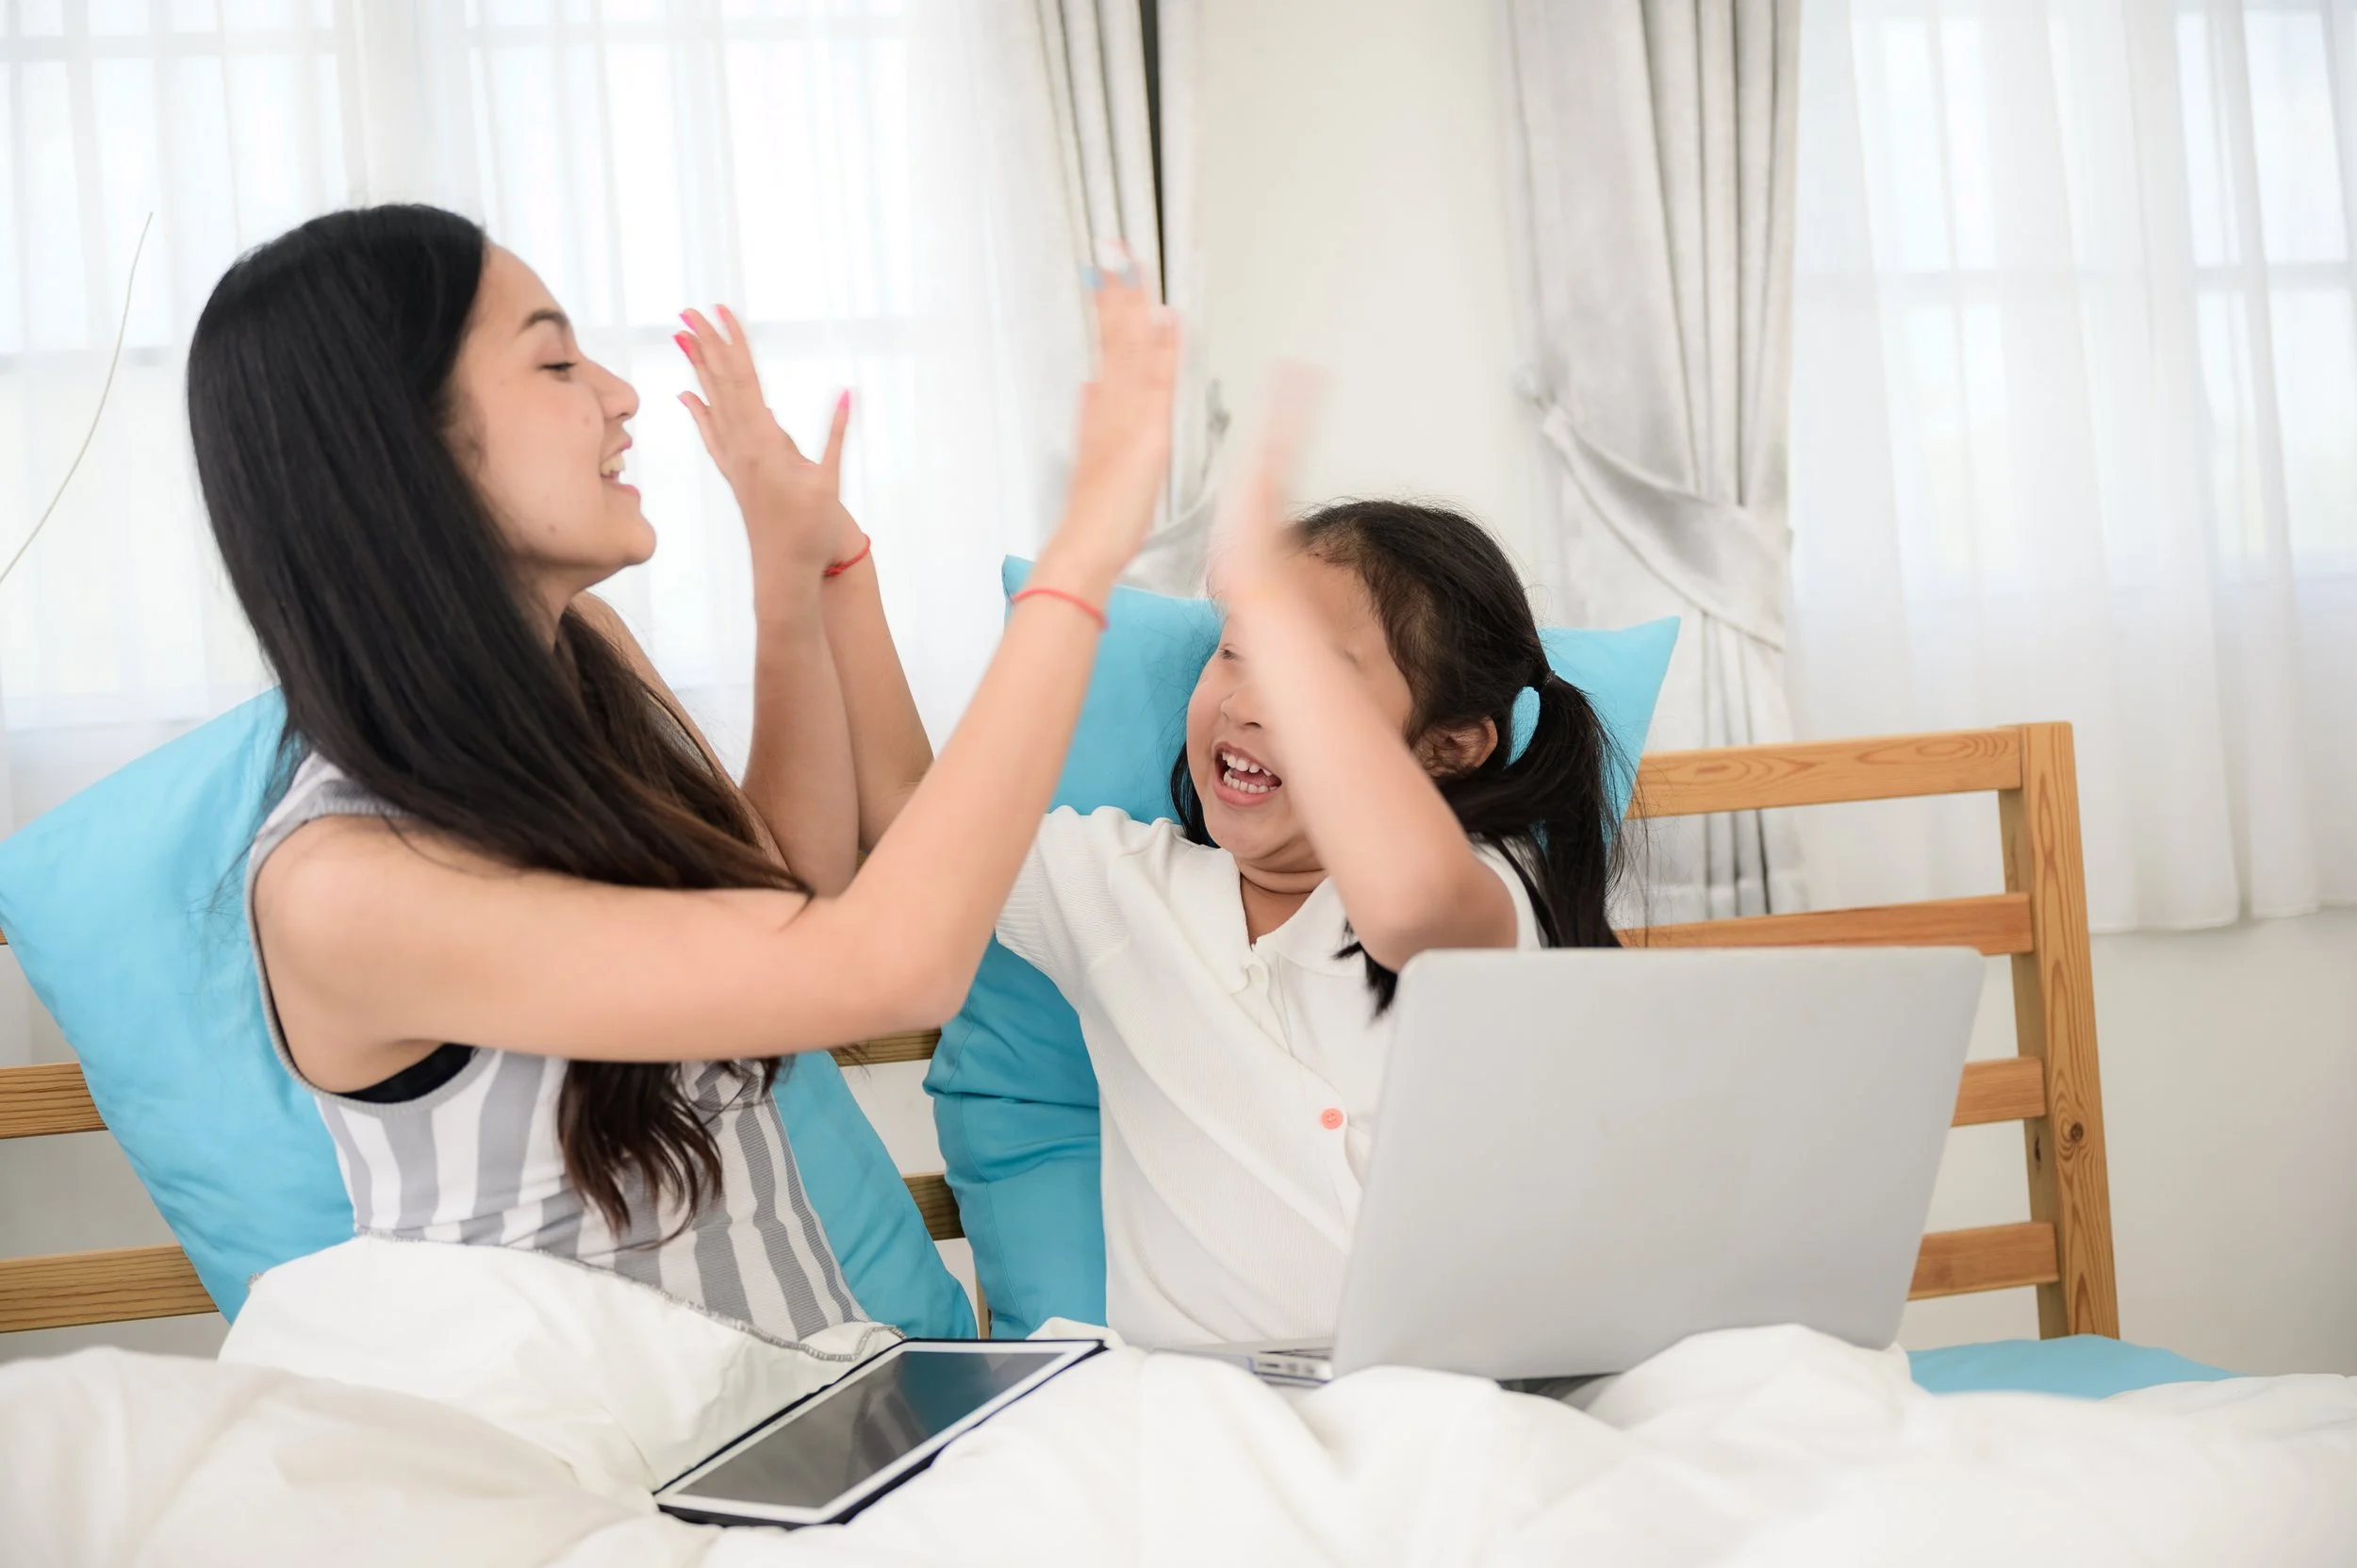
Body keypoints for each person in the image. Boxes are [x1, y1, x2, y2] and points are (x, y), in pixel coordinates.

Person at [190, 204, 1176, 1345]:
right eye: (555, 360)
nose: (619, 393)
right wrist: (1084, 553)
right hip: (593, 1481)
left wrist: (794, 576)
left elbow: (784, 893)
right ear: (397, 445)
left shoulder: (586, 654)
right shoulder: (341, 888)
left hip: (790, 1415)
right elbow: (890, 964)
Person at [996, 428, 1624, 1347]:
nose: (1249, 702)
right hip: (1204, 1420)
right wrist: (835, 576)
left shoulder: (1487, 890)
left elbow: (1412, 910)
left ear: (1446, 748)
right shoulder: (1111, 883)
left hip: (1442, 1410)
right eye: (1238, 652)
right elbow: (913, 827)